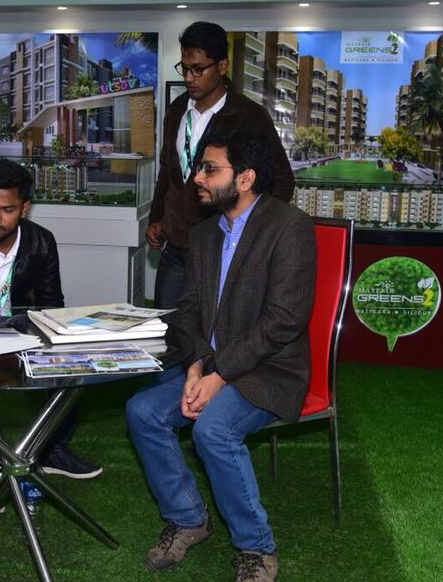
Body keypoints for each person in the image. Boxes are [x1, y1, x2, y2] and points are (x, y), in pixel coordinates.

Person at [126, 128, 316, 582]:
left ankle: (256, 548)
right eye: (200, 167)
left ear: (245, 178)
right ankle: (188, 518)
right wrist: (195, 367)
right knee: (142, 411)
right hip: (210, 365)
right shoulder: (204, 233)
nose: (198, 177)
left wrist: (219, 376)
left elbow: (283, 321)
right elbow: (188, 311)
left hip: (269, 369)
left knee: (213, 429)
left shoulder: (289, 227)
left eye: (210, 169)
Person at [0, 158, 102, 481]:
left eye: (7, 210)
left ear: (25, 208)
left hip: (22, 335)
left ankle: (52, 449)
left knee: (70, 369)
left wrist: (56, 345)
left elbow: (52, 306)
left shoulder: (41, 241)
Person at [147, 21, 296, 309]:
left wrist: (249, 234)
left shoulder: (249, 116)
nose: (189, 77)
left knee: (216, 331)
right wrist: (157, 218)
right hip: (174, 248)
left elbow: (282, 181)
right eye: (184, 68)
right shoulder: (177, 110)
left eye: (198, 69)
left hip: (222, 250)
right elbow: (168, 171)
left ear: (223, 66)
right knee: (166, 328)